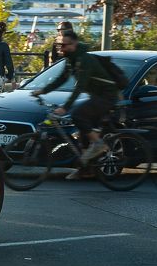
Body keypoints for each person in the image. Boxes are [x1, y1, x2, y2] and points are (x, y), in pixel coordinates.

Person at [32, 30, 120, 179]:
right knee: (82, 130)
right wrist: (42, 90)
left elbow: (79, 87)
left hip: (107, 96)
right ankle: (85, 168)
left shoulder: (83, 60)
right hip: (97, 95)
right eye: (59, 45)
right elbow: (61, 79)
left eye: (64, 45)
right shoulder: (70, 59)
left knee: (78, 115)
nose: (61, 48)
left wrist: (65, 107)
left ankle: (99, 144)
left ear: (74, 44)